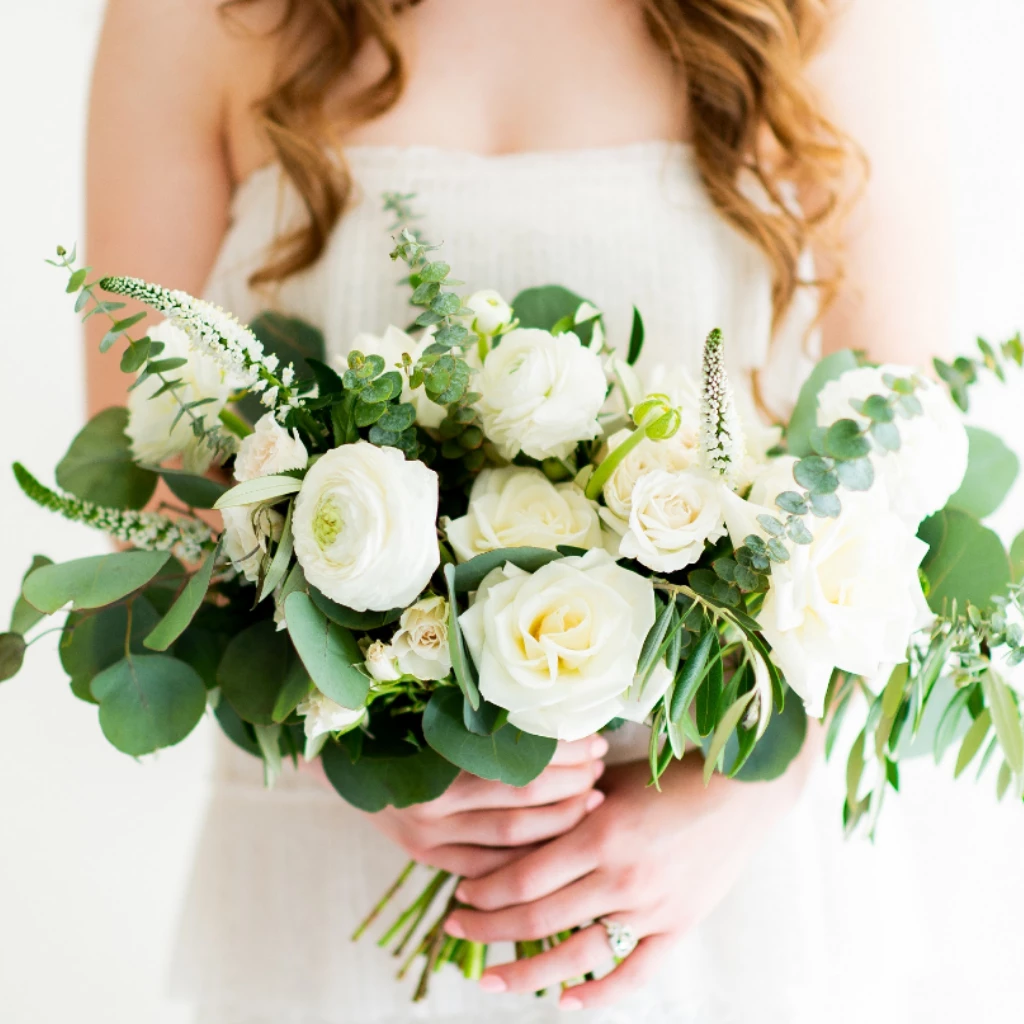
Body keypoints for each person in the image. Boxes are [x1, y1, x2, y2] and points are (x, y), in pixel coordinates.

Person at [86, 1, 952, 1021]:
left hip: (707, 896)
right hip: (331, 884)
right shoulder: (184, 18)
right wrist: (358, 748)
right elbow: (146, 489)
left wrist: (740, 794)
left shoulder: (827, 16)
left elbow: (905, 474)